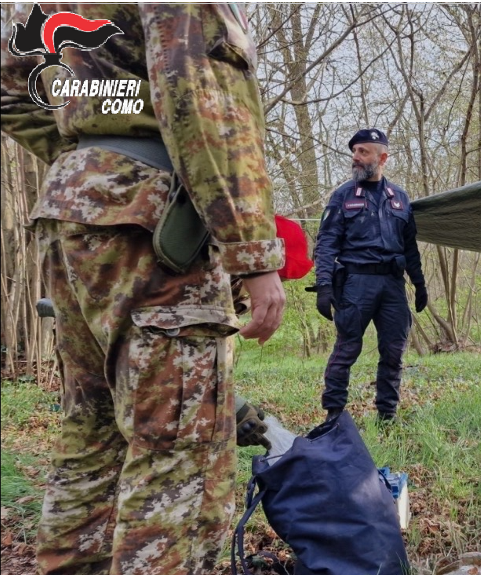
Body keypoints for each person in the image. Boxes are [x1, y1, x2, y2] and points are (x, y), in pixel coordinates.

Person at [2, 5, 285, 574]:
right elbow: (199, 100)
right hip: (153, 229)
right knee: (179, 454)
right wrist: (253, 253)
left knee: (94, 437)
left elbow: (10, 84)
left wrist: (91, 158)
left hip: (74, 217)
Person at [312, 128, 427, 422]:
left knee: (393, 352)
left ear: (382, 157)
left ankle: (387, 415)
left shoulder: (399, 197)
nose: (356, 157)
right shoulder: (342, 195)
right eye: (354, 152)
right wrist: (324, 284)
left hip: (392, 285)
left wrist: (419, 282)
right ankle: (334, 417)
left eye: (363, 151)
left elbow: (410, 245)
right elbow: (325, 243)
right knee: (346, 349)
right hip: (355, 283)